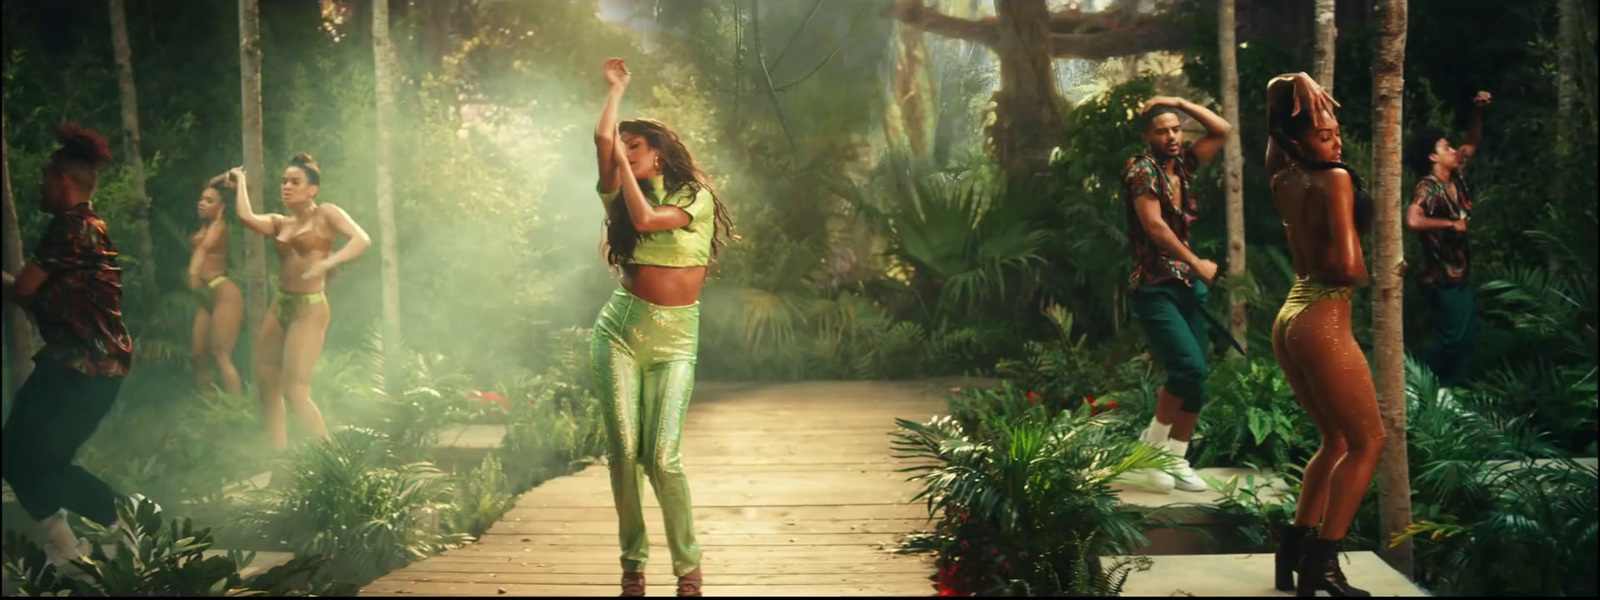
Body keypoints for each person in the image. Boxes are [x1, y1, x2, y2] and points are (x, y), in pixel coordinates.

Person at [590, 56, 734, 598]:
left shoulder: (691, 196)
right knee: (623, 451)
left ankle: (688, 566)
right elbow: (601, 136)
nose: (625, 154)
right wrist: (616, 90)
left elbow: (652, 221)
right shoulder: (619, 197)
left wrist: (620, 167)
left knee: (663, 457)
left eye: (636, 147)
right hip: (621, 332)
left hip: (675, 339)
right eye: (623, 148)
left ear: (660, 153)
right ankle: (633, 562)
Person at [1264, 72, 1384, 597]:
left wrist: (1296, 83)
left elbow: (1272, 130)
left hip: (1290, 314)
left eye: (1336, 133)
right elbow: (1352, 268)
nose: (1335, 141)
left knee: (1334, 439)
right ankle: (1322, 565)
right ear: (1298, 141)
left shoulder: (1281, 176)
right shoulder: (1335, 178)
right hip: (1325, 319)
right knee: (1368, 441)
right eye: (1322, 134)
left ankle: (1293, 548)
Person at [0, 123, 135, 571]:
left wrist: (16, 286)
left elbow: (24, 288)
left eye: (43, 178)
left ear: (63, 180)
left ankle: (128, 524)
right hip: (72, 366)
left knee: (42, 462)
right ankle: (66, 550)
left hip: (85, 371)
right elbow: (29, 291)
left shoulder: (72, 228)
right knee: (16, 457)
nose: (40, 185)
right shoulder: (82, 227)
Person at [1119, 94, 1233, 493]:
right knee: (1189, 369)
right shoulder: (1142, 172)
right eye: (1161, 130)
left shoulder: (1182, 165)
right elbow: (1155, 227)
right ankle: (1152, 446)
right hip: (1156, 286)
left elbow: (1223, 130)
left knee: (1197, 380)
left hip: (1188, 287)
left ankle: (1176, 457)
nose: (1170, 136)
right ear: (1146, 136)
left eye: (1175, 129)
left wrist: (1177, 101)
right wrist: (1197, 262)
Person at [230, 155, 370, 458]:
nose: (286, 187)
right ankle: (280, 458)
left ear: (313, 190)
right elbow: (246, 216)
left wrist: (329, 262)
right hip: (281, 305)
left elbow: (362, 239)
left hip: (310, 309)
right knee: (267, 383)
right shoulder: (281, 222)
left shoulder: (327, 214)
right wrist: (240, 181)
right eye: (283, 182)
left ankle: (332, 463)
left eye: (295, 182)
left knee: (296, 390)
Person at [1405, 91, 1492, 403]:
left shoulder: (1457, 173)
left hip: (1460, 273)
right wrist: (1449, 224)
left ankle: (1446, 393)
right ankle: (1413, 381)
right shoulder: (1428, 188)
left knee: (1466, 339)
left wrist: (1477, 113)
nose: (1455, 150)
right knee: (1453, 340)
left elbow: (1472, 144)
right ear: (1432, 157)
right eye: (1446, 147)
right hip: (1439, 277)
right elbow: (1413, 221)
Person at [188, 172, 245, 395]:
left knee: (221, 354)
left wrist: (192, 273)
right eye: (201, 199)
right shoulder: (204, 227)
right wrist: (228, 175)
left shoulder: (218, 226)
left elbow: (202, 250)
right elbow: (210, 183)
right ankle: (210, 406)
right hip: (206, 298)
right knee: (198, 356)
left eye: (209, 201)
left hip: (223, 293)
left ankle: (236, 410)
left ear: (221, 208)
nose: (202, 203)